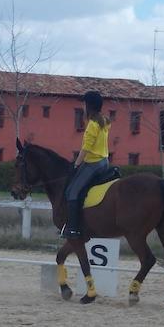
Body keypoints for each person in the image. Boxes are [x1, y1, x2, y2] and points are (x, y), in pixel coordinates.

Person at [63, 90, 110, 238]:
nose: (83, 107)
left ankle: (73, 228)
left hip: (93, 163)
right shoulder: (105, 121)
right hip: (105, 161)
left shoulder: (92, 124)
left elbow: (86, 148)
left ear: (88, 106)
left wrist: (76, 164)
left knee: (72, 192)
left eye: (84, 104)